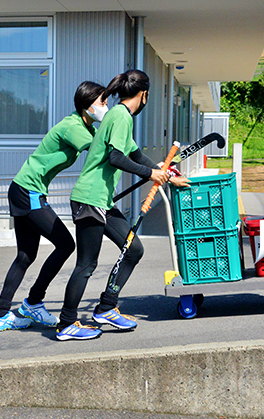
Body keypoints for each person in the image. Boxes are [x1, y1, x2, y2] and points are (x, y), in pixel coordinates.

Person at [56, 70, 190, 341]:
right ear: (144, 94)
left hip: (101, 201)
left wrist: (169, 174)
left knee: (133, 249)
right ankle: (66, 324)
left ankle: (106, 306)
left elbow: (135, 154)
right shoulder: (120, 116)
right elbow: (116, 157)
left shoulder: (119, 116)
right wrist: (151, 174)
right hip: (90, 199)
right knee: (86, 264)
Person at [0, 81, 108, 332]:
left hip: (25, 188)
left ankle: (3, 313)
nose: (106, 107)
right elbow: (103, 149)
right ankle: (32, 302)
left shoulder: (81, 126)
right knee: (66, 244)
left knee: (25, 255)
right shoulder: (74, 127)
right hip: (28, 191)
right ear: (87, 106)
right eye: (102, 102)